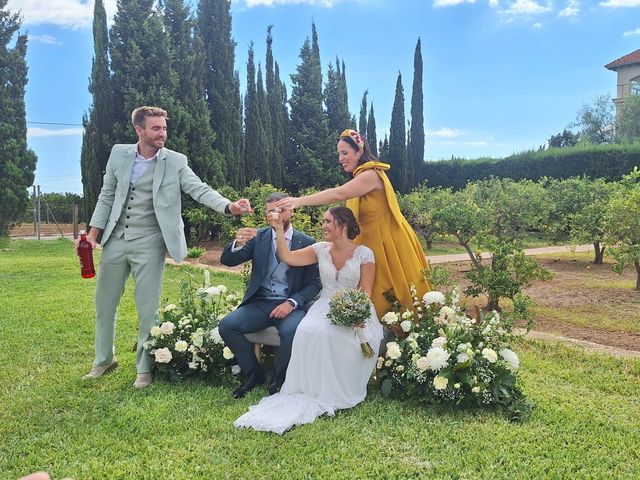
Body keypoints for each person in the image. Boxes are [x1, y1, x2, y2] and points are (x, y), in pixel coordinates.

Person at [79, 106, 251, 389]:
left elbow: (199, 188)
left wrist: (228, 206)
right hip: (116, 239)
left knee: (148, 308)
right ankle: (103, 360)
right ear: (140, 130)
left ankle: (143, 368)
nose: (162, 134)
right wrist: (94, 235)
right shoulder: (119, 154)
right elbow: (106, 195)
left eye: (164, 128)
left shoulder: (175, 161)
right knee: (104, 303)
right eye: (156, 128)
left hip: (150, 241)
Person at [234, 207, 383, 434]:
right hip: (324, 306)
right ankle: (309, 388)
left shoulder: (365, 254)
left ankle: (336, 389)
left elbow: (365, 291)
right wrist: (277, 228)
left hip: (355, 307)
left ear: (343, 225)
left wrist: (356, 314)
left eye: (328, 221)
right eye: (323, 221)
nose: (322, 225)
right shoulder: (320, 249)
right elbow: (288, 257)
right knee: (308, 330)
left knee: (334, 335)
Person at [275, 129, 431, 320]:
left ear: (359, 152)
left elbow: (340, 193)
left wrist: (299, 201)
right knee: (374, 290)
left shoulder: (371, 174)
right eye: (339, 154)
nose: (341, 158)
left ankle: (405, 333)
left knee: (395, 288)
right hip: (370, 240)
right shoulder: (360, 176)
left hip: (388, 241)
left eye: (345, 153)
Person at [218, 192, 321, 398]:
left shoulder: (307, 241)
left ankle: (278, 379)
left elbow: (315, 283)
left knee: (291, 331)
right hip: (261, 302)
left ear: (290, 210)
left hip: (291, 304)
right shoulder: (258, 237)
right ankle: (254, 374)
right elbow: (228, 261)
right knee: (228, 325)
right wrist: (237, 243)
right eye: (270, 211)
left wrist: (292, 303)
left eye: (280, 209)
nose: (275, 215)